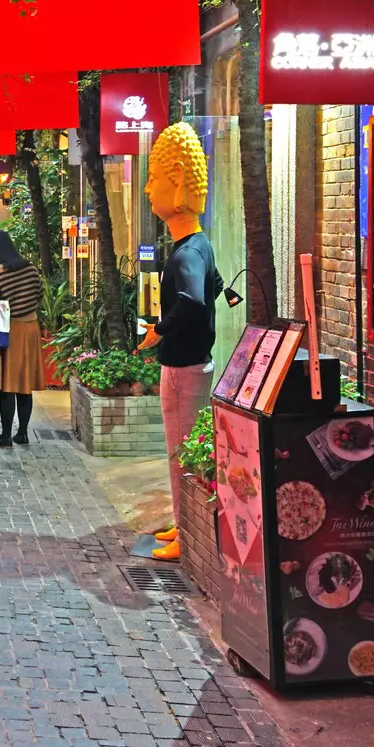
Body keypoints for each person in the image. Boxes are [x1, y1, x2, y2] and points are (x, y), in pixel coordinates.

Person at [141, 122, 222, 561]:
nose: (149, 189)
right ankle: (183, 522)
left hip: (183, 366)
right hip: (194, 361)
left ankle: (188, 532)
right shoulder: (198, 245)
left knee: (181, 451)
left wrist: (159, 329)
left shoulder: (187, 252)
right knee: (183, 449)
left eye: (154, 178)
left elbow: (191, 300)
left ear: (176, 183)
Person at [0, 229, 46, 446]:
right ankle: (23, 433)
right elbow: (40, 294)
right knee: (24, 384)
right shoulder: (31, 269)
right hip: (31, 328)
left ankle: (6, 435)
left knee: (8, 384)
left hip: (9, 330)